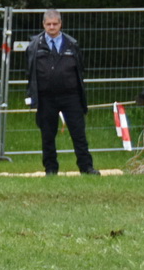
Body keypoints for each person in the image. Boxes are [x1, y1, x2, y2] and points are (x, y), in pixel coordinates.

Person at [24, 9, 94, 175]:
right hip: (46, 97)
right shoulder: (35, 45)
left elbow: (80, 68)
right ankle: (50, 168)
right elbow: (29, 71)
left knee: (79, 134)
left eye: (55, 24)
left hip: (71, 96)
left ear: (61, 24)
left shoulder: (72, 44)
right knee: (47, 135)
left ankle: (86, 167)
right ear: (43, 25)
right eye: (48, 24)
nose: (52, 27)